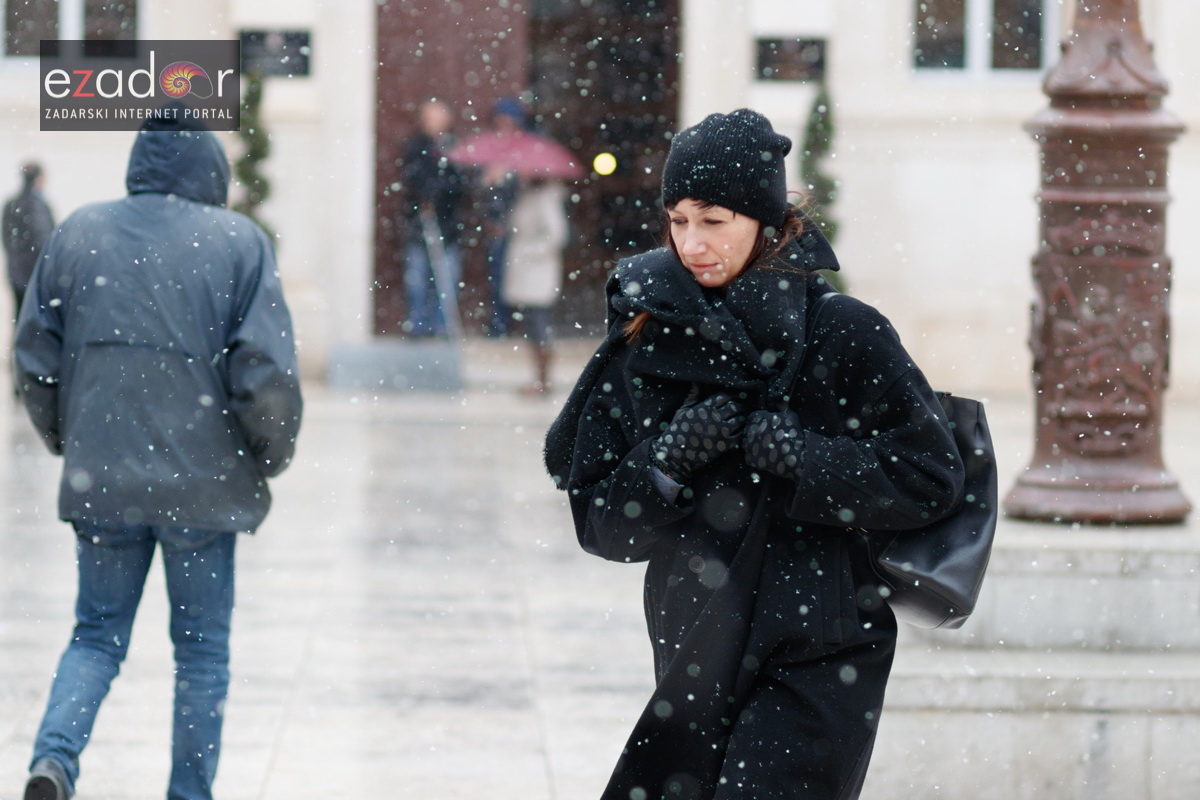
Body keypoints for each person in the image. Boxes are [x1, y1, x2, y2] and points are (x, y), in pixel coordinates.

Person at [543, 109, 965, 800]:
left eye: (714, 220)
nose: (692, 243)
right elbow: (602, 528)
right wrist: (666, 461)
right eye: (678, 220)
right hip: (696, 652)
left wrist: (805, 458)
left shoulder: (843, 332)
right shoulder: (649, 336)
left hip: (825, 648)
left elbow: (931, 478)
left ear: (765, 219)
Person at [13, 109, 303, 800]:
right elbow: (264, 371)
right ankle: (188, 793)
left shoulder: (78, 233)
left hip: (103, 478)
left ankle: (54, 762)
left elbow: (34, 357)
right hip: (204, 484)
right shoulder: (238, 242)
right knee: (200, 652)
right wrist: (268, 453)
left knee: (95, 636)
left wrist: (69, 438)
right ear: (211, 169)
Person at [400, 99, 465, 337]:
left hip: (447, 225)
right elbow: (414, 178)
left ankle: (441, 325)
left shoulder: (453, 147)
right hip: (420, 224)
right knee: (417, 279)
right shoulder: (416, 147)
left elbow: (458, 184)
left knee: (446, 279)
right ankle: (417, 324)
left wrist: (440, 190)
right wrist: (427, 195)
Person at [502, 176, 569, 394]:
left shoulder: (546, 199)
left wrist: (530, 252)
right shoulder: (526, 195)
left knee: (539, 326)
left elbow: (557, 235)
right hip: (525, 271)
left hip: (537, 272)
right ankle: (538, 379)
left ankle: (543, 380)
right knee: (532, 326)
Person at [480, 96, 525, 336]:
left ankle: (517, 322)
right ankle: (499, 322)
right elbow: (486, 194)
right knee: (498, 275)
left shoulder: (526, 150)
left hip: (521, 225)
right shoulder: (491, 151)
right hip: (499, 224)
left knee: (517, 276)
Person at [3, 161, 55, 322]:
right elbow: (44, 241)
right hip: (33, 274)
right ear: (39, 179)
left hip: (16, 273)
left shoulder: (11, 204)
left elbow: (7, 239)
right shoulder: (37, 205)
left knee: (19, 318)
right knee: (35, 321)